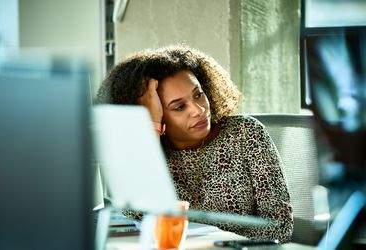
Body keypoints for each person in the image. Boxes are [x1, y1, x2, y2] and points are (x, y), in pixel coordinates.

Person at [96, 45, 294, 243]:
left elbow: (280, 225)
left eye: (198, 94)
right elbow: (135, 212)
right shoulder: (152, 153)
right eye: (179, 107)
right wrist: (151, 128)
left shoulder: (245, 133)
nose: (198, 110)